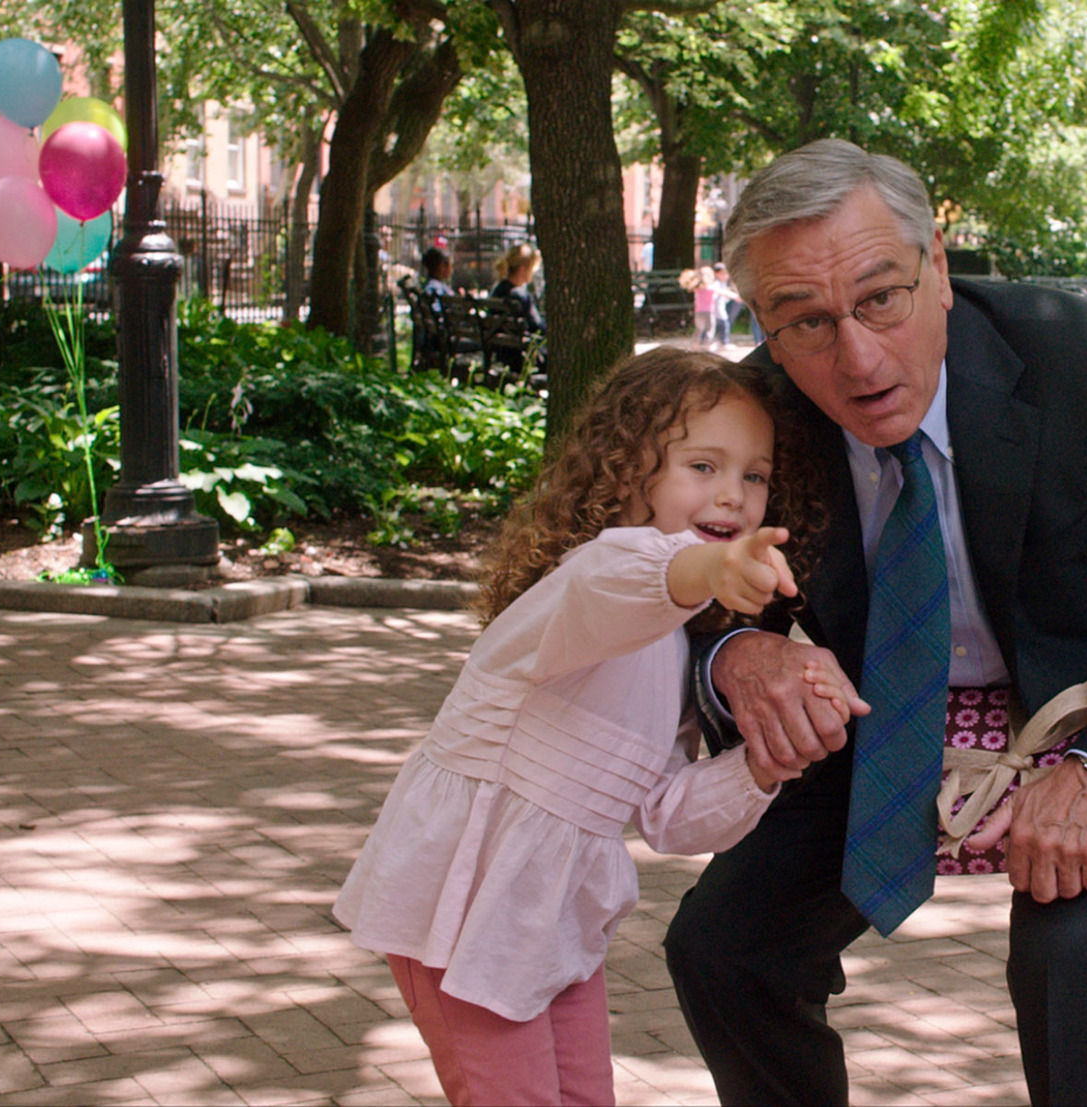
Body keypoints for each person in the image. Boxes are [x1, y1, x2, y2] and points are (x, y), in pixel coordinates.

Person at [662, 138, 1087, 1106]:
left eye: (881, 298)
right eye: (806, 323)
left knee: (1067, 959)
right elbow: (654, 580)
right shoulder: (749, 415)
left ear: (940, 273)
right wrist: (735, 653)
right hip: (883, 716)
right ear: (764, 325)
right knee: (721, 949)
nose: (859, 357)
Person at [334, 348, 832, 1106]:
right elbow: (626, 579)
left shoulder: (672, 642)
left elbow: (665, 815)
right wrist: (707, 569)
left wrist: (765, 763)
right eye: (703, 465)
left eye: (753, 475)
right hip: (467, 902)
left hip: (551, 916)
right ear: (629, 470)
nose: (732, 495)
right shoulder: (591, 583)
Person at [490, 244, 547, 377]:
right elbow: (539, 328)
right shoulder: (520, 296)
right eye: (532, 269)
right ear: (523, 269)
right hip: (522, 357)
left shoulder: (497, 290)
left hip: (502, 354)